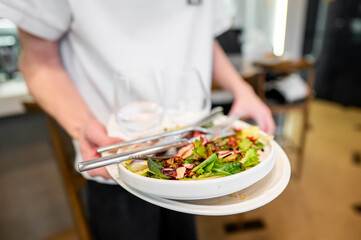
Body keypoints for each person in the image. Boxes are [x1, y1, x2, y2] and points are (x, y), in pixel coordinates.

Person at [0, 1, 275, 239]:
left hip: (189, 162)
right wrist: (83, 127)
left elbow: (202, 35)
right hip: (119, 163)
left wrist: (242, 89)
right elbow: (38, 61)